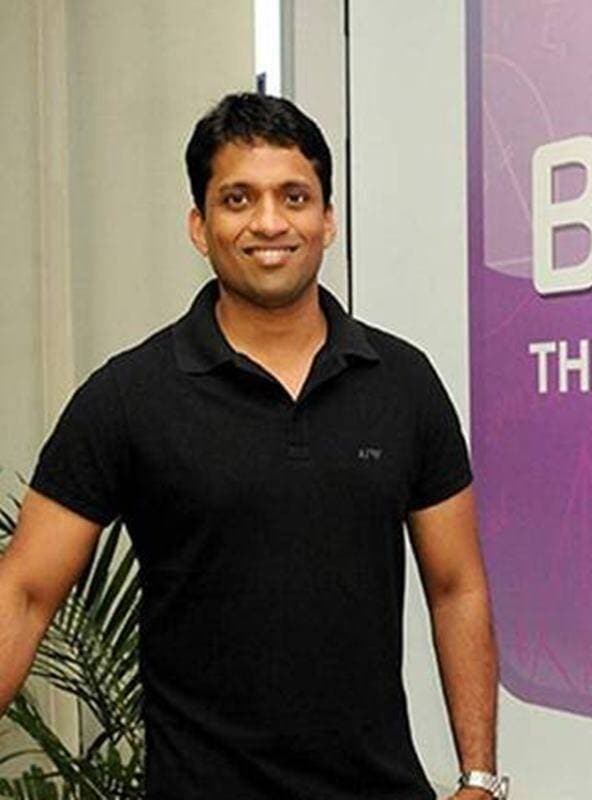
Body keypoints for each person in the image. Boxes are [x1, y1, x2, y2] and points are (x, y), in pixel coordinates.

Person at [0, 93, 506, 800]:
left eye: (294, 197)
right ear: (199, 226)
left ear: (327, 220)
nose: (269, 222)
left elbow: (457, 586)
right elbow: (23, 592)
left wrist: (479, 777)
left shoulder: (404, 383)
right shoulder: (127, 396)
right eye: (237, 199)